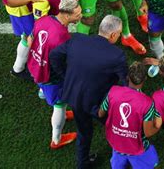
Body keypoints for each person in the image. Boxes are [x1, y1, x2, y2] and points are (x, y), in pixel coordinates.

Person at [49, 15, 128, 168]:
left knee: (84, 132)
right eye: (119, 34)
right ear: (113, 35)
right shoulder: (117, 55)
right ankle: (123, 156)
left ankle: (82, 163)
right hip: (98, 103)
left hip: (75, 97)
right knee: (116, 127)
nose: (118, 37)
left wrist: (66, 76)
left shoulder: (77, 39)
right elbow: (126, 83)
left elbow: (54, 55)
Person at [27, 0, 82, 149]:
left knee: (44, 87)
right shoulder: (62, 36)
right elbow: (62, 64)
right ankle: (56, 140)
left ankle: (43, 93)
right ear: (67, 15)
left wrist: (38, 58)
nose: (80, 16)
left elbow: (30, 40)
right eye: (77, 14)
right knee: (60, 104)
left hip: (34, 66)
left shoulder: (44, 20)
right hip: (49, 77)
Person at [99, 62, 160, 168]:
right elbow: (148, 132)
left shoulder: (113, 91)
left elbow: (100, 113)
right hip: (136, 148)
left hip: (116, 143)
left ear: (127, 77)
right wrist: (158, 125)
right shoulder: (147, 103)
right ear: (145, 79)